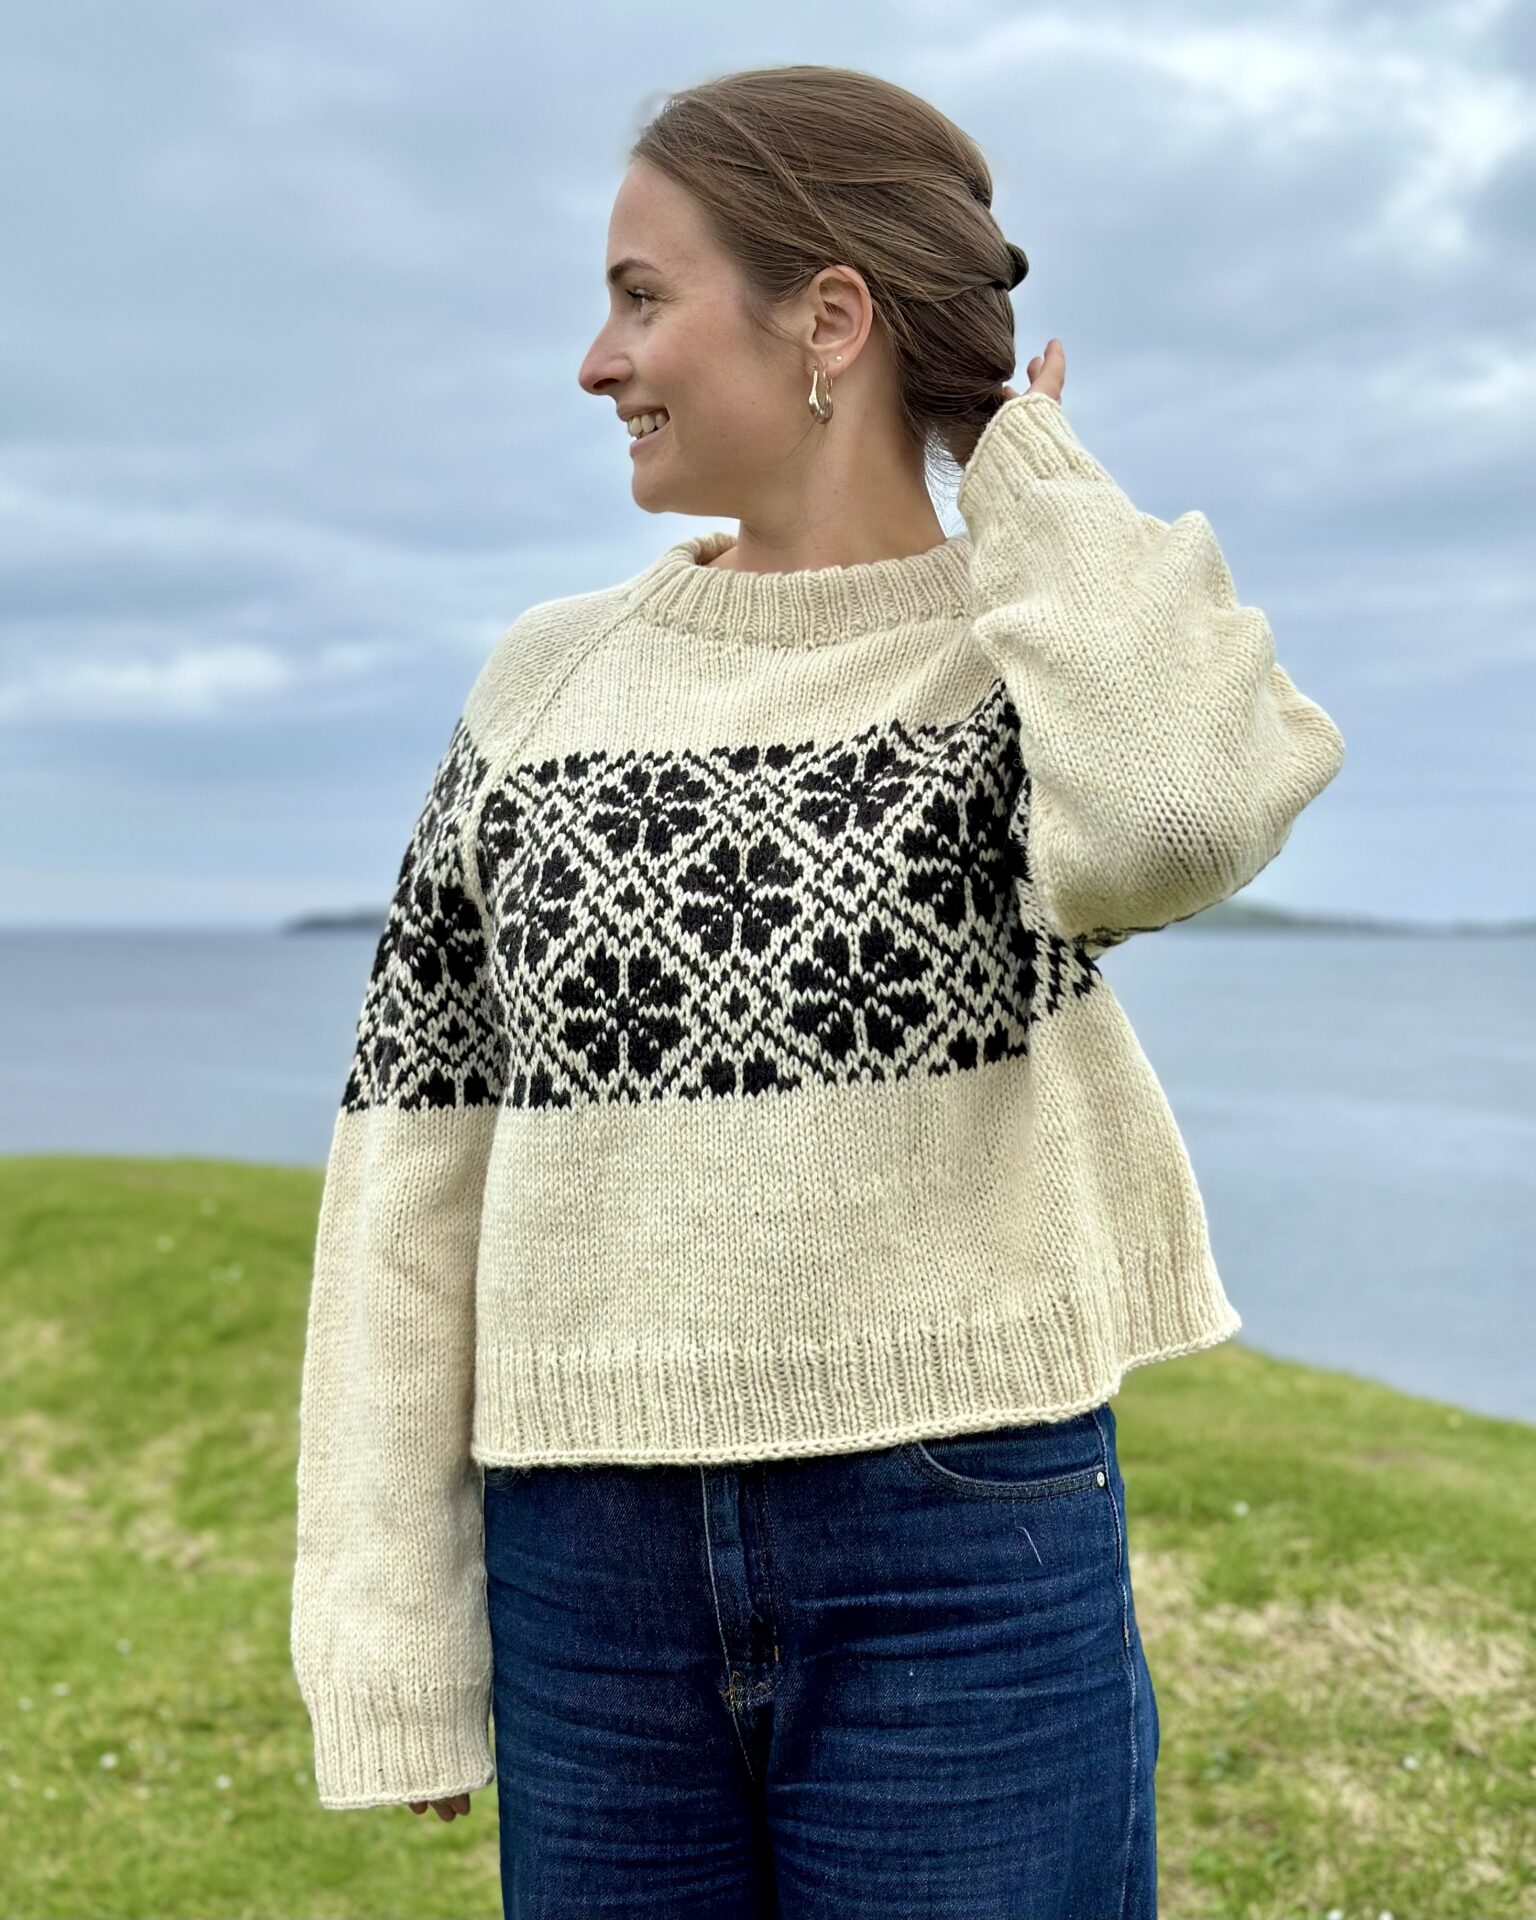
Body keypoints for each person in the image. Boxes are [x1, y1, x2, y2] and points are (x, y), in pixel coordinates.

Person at [290, 63, 1346, 1920]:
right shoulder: (541, 685)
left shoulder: (1024, 660)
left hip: (961, 1539)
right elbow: (413, 1158)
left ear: (828, 321)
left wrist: (1025, 474)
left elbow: (1176, 820)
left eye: (641, 298)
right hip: (586, 1562)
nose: (597, 363)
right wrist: (390, 1632)